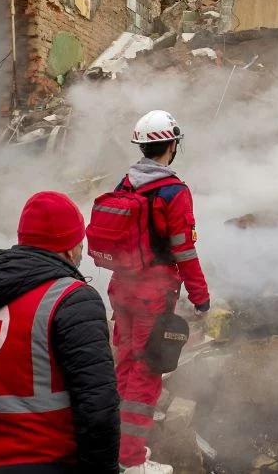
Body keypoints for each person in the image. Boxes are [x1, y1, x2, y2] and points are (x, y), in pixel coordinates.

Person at [0, 191, 119, 474]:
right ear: (68, 248)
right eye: (80, 244)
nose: (81, 252)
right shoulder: (73, 299)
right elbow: (98, 410)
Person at [91, 110, 211, 473]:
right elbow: (184, 251)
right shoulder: (174, 191)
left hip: (120, 289)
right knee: (146, 374)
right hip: (152, 296)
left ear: (143, 147)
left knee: (124, 363)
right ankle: (129, 459)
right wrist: (200, 296)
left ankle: (109, 447)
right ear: (171, 145)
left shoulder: (126, 182)